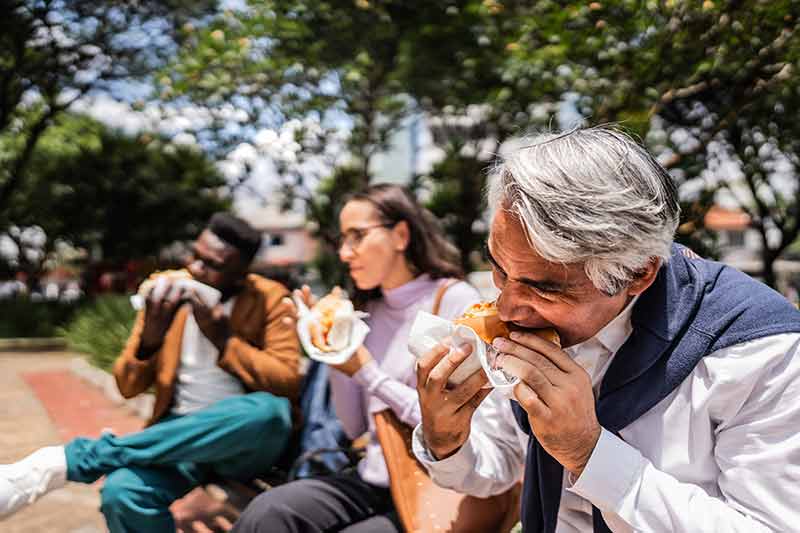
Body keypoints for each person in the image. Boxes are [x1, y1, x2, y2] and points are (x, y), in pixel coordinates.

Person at [413, 126, 800, 532]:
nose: (507, 306)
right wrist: (445, 437)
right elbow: (492, 467)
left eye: (544, 287)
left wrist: (587, 452)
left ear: (637, 273)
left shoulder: (763, 355)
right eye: (498, 268)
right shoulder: (524, 324)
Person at [0, 212, 302, 532]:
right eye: (195, 256)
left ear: (240, 273)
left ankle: (71, 461)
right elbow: (127, 386)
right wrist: (149, 340)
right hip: (177, 436)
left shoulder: (269, 298)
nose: (195, 269)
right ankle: (69, 463)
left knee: (269, 412)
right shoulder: (166, 294)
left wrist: (224, 338)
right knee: (122, 492)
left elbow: (286, 382)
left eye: (212, 265)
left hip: (242, 440)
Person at [233, 184, 482, 533]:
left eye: (358, 237)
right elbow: (355, 428)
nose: (345, 253)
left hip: (439, 489)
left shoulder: (457, 301)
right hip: (374, 478)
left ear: (400, 235)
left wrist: (367, 373)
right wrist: (329, 348)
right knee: (266, 513)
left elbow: (466, 423)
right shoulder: (368, 310)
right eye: (342, 240)